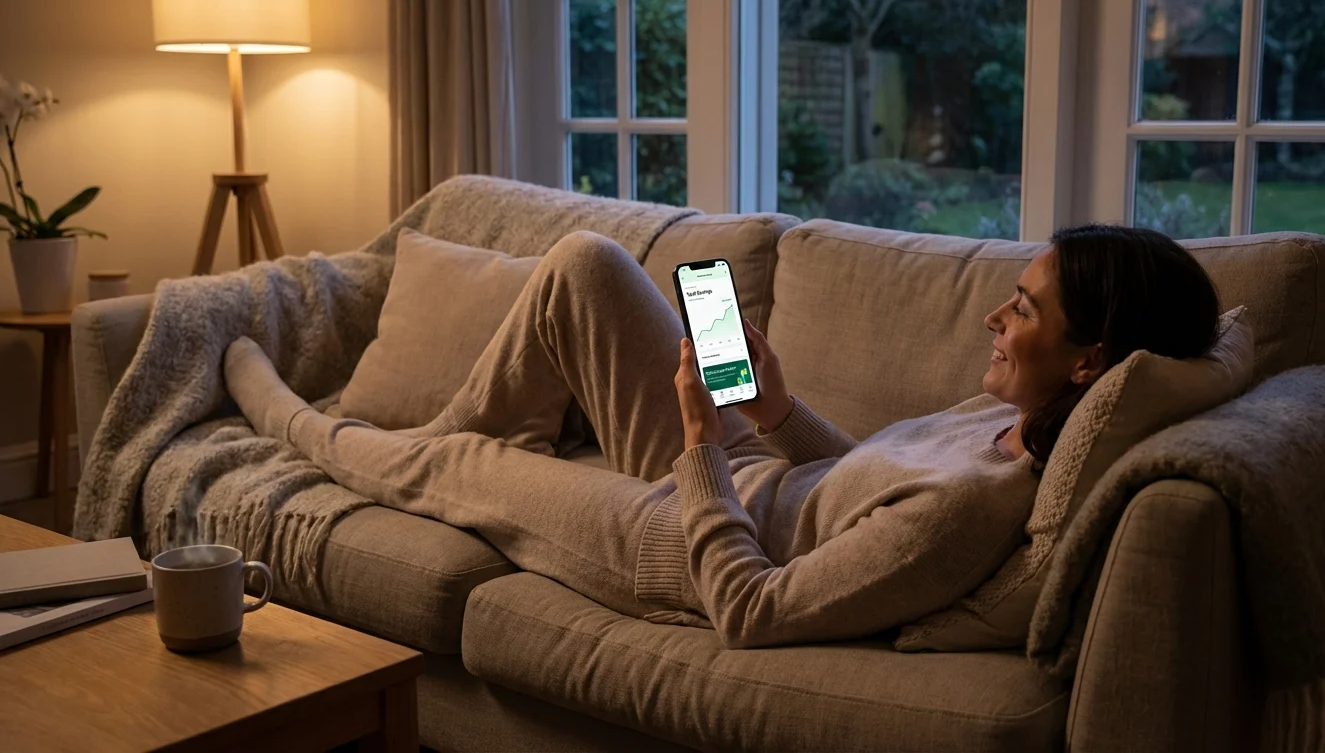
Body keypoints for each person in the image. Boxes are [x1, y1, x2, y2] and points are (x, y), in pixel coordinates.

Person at [222, 223, 1221, 649]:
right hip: (747, 475)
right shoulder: (1008, 416)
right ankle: (440, 453)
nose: (993, 319)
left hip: (685, 542)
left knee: (460, 463)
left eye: (1023, 309)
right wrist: (774, 409)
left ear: (1089, 359)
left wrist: (699, 443)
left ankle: (297, 420)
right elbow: (849, 486)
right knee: (583, 266)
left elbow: (753, 610)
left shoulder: (971, 513)